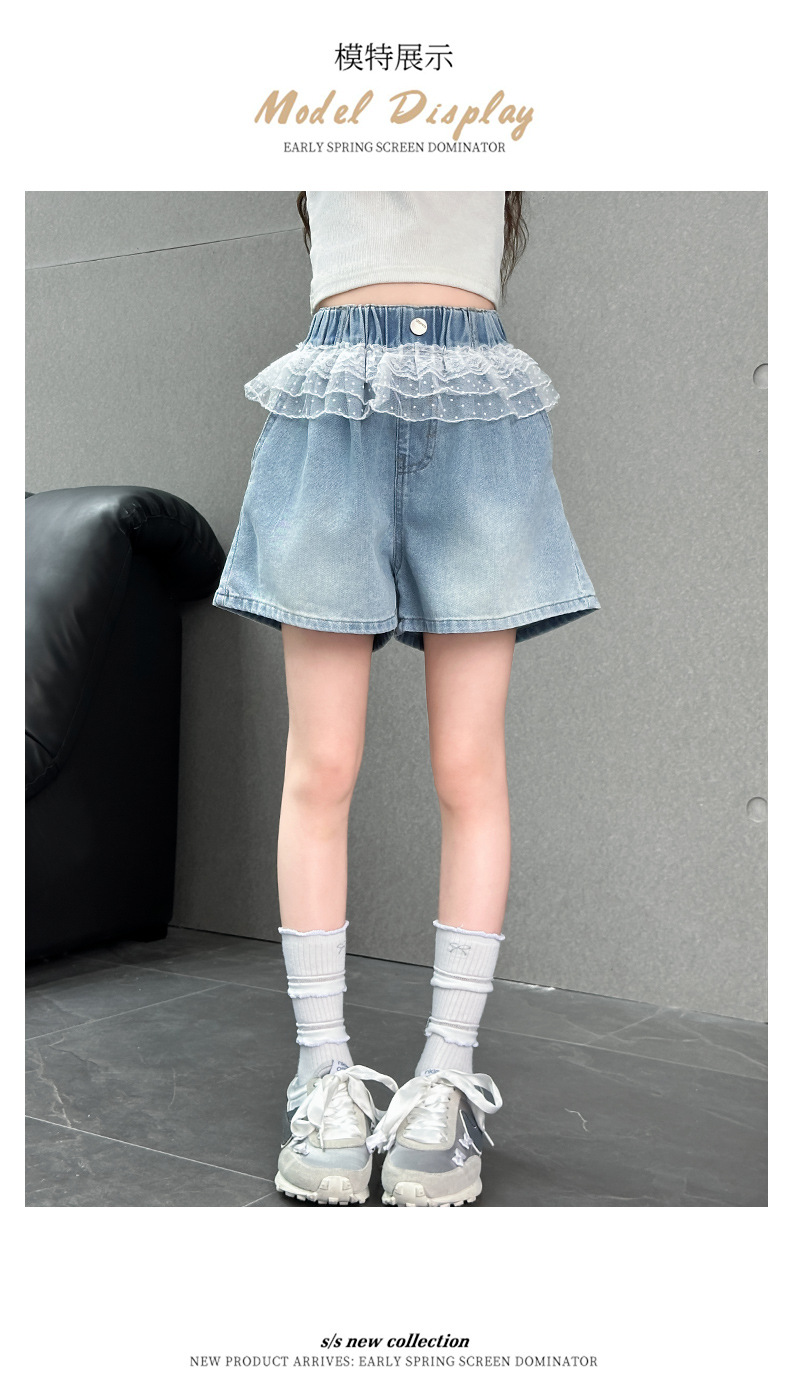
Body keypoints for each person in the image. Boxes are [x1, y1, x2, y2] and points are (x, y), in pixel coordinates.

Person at [213, 191, 600, 1206]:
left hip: (477, 413)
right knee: (321, 763)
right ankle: (320, 1069)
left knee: (470, 765)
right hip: (332, 410)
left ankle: (444, 1073)